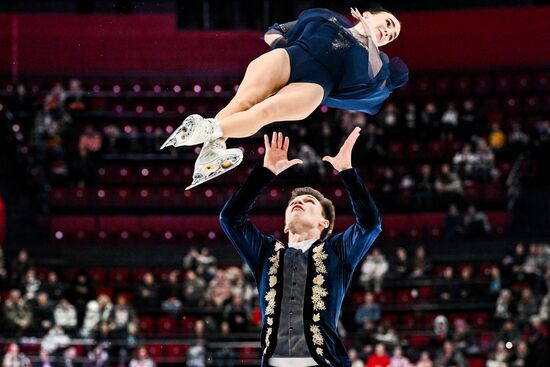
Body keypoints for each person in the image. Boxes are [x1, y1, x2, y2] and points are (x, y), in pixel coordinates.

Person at [162, 7, 408, 188]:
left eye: (392, 34)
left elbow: (374, 76)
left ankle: (202, 129)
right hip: (290, 57)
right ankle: (211, 151)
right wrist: (282, 46)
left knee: (264, 111)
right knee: (241, 102)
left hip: (314, 85)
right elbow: (276, 30)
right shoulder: (327, 19)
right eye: (387, 23)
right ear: (366, 14)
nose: (387, 31)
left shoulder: (377, 63)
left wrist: (369, 36)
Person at [220, 128, 382, 366]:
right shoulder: (266, 253)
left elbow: (370, 225)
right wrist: (265, 173)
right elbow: (230, 218)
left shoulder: (336, 251)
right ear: (285, 226)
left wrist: (347, 172)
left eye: (309, 201)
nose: (298, 201)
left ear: (323, 222)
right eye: (293, 202)